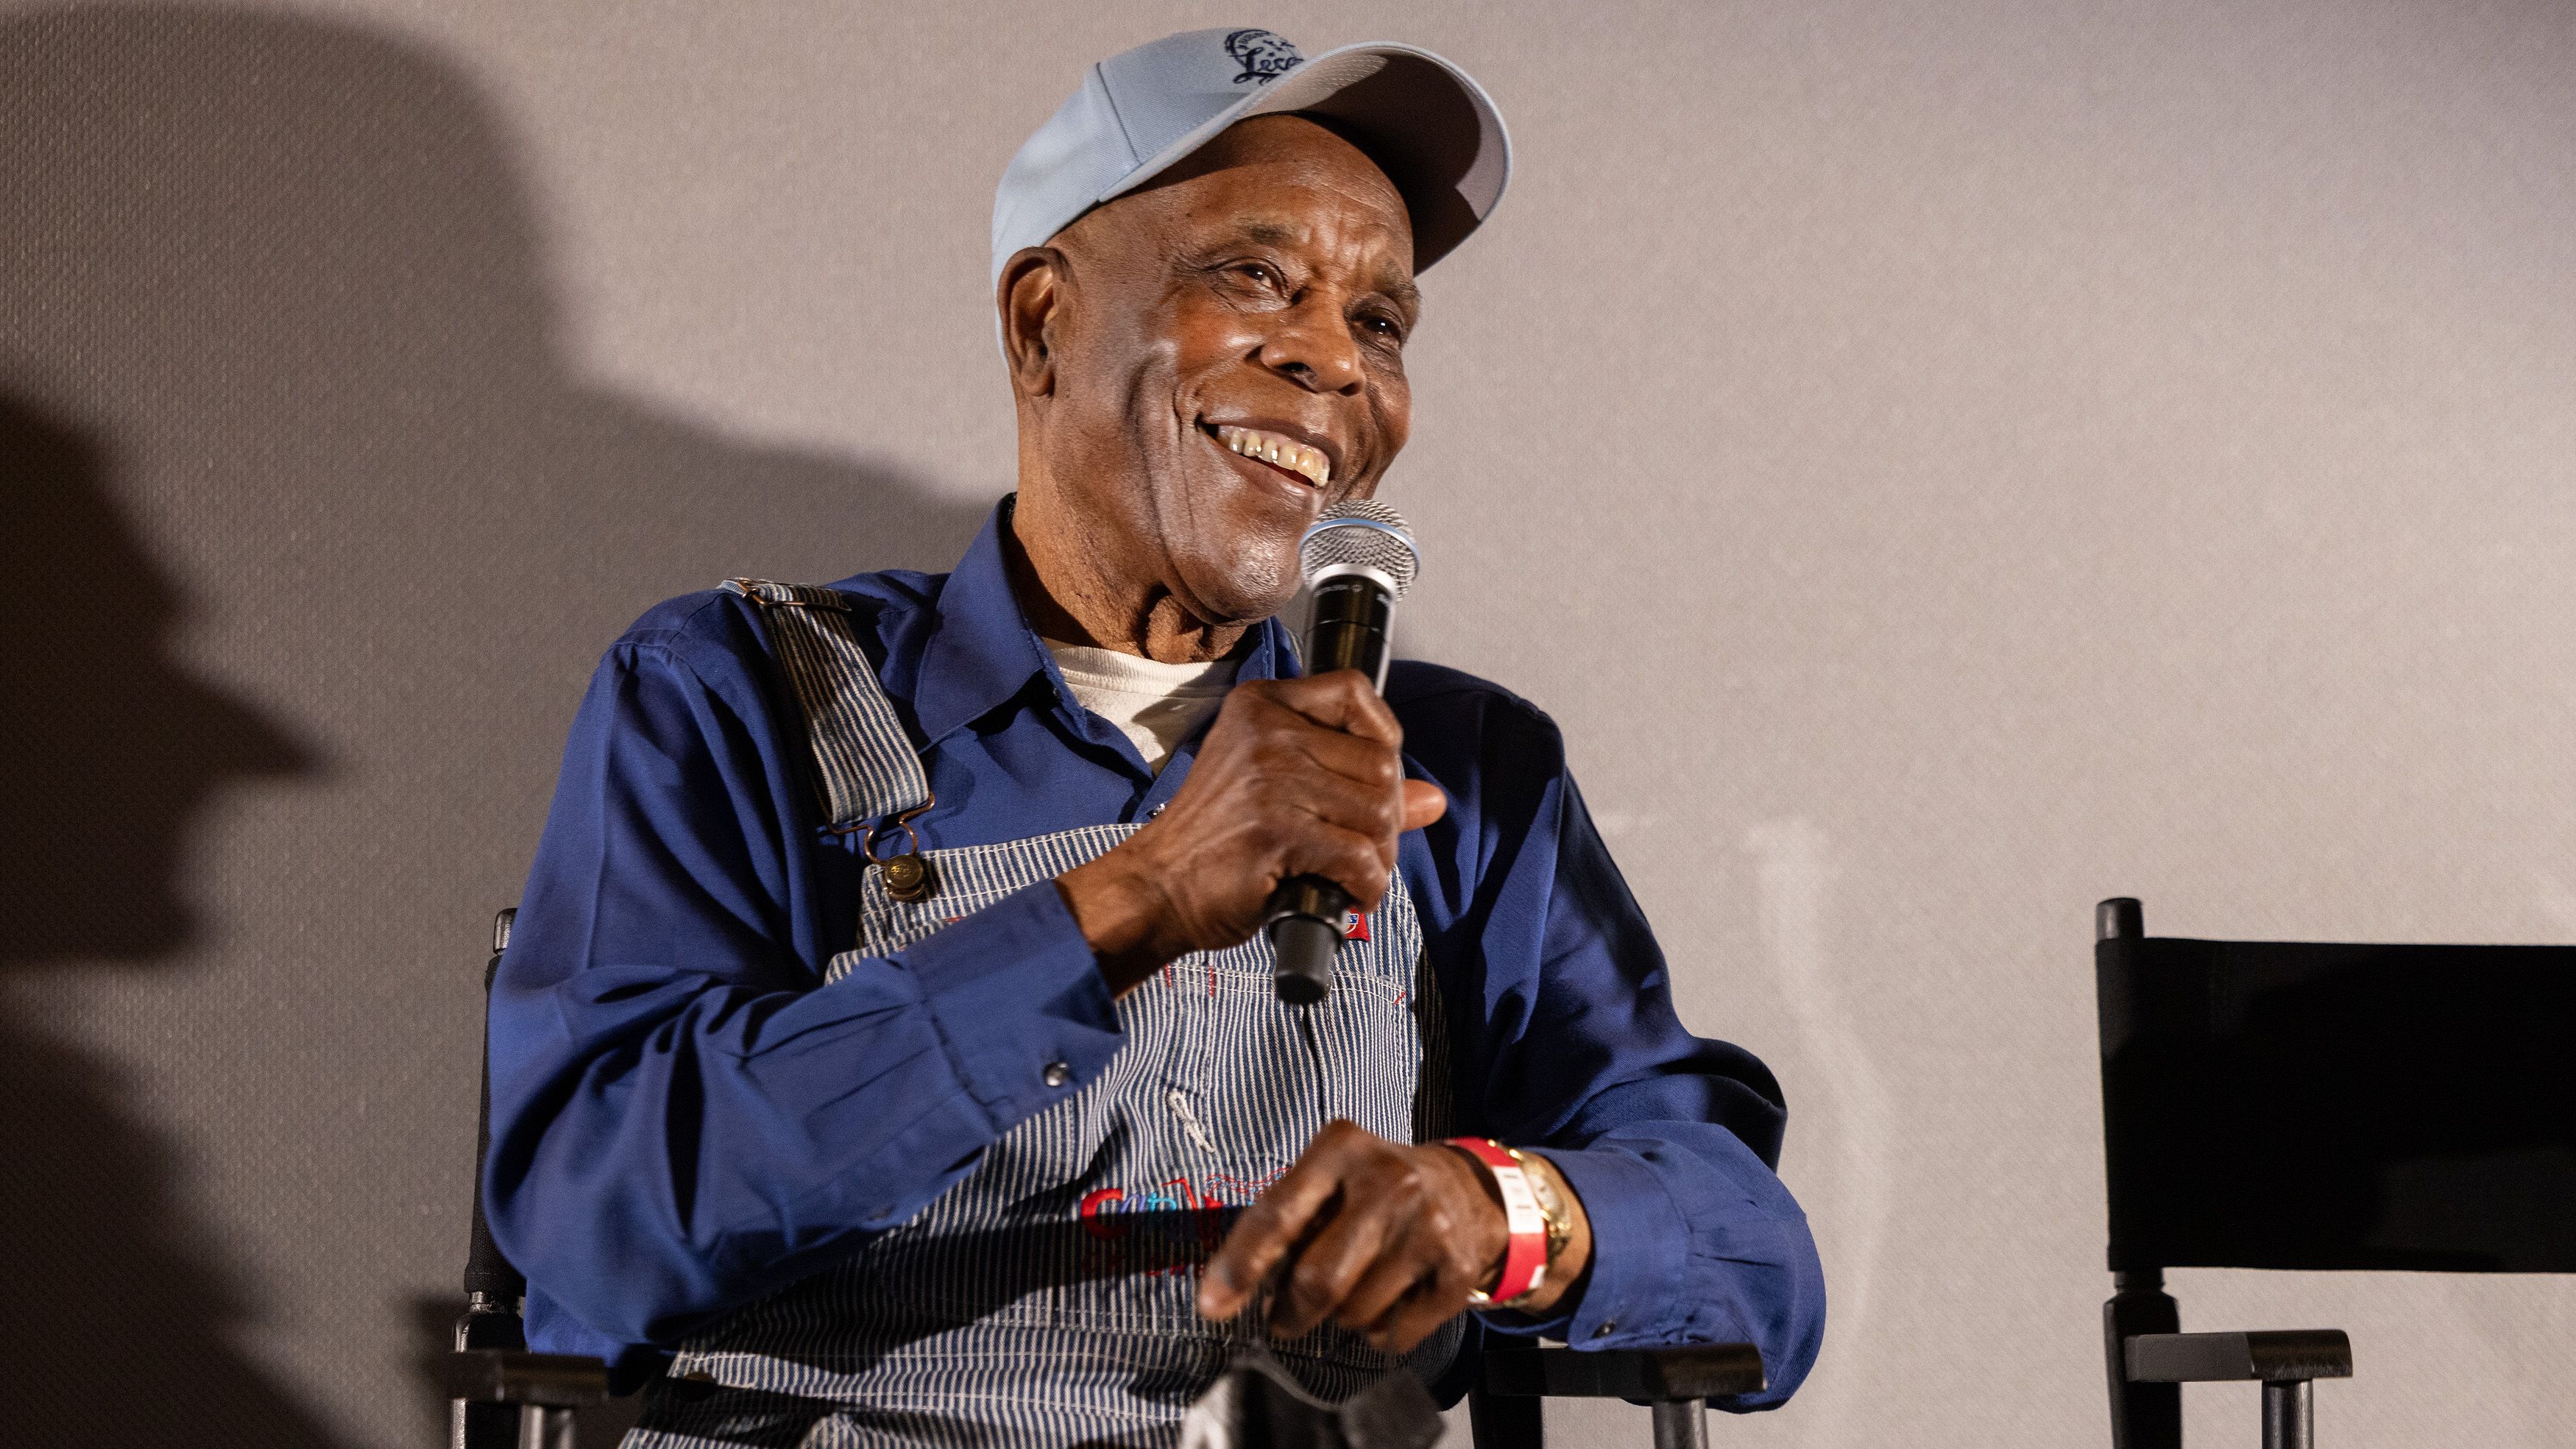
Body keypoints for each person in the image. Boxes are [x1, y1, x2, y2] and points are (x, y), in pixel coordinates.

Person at [484, 27, 1826, 1446]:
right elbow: (598, 1221)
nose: (1330, 359)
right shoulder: (737, 695)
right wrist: (1131, 901)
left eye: (1380, 321)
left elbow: (1760, 1262)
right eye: (1254, 277)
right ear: (1042, 323)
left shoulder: (1462, 773)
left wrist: (1507, 1208)